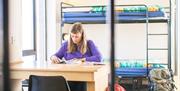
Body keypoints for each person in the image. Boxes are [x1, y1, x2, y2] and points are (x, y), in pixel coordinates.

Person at [50, 22, 102, 91]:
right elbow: (56, 55)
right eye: (72, 36)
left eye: (77, 36)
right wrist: (53, 57)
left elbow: (99, 57)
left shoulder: (89, 43)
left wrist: (83, 60)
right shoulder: (66, 44)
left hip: (85, 77)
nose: (74, 39)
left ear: (82, 35)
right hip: (69, 76)